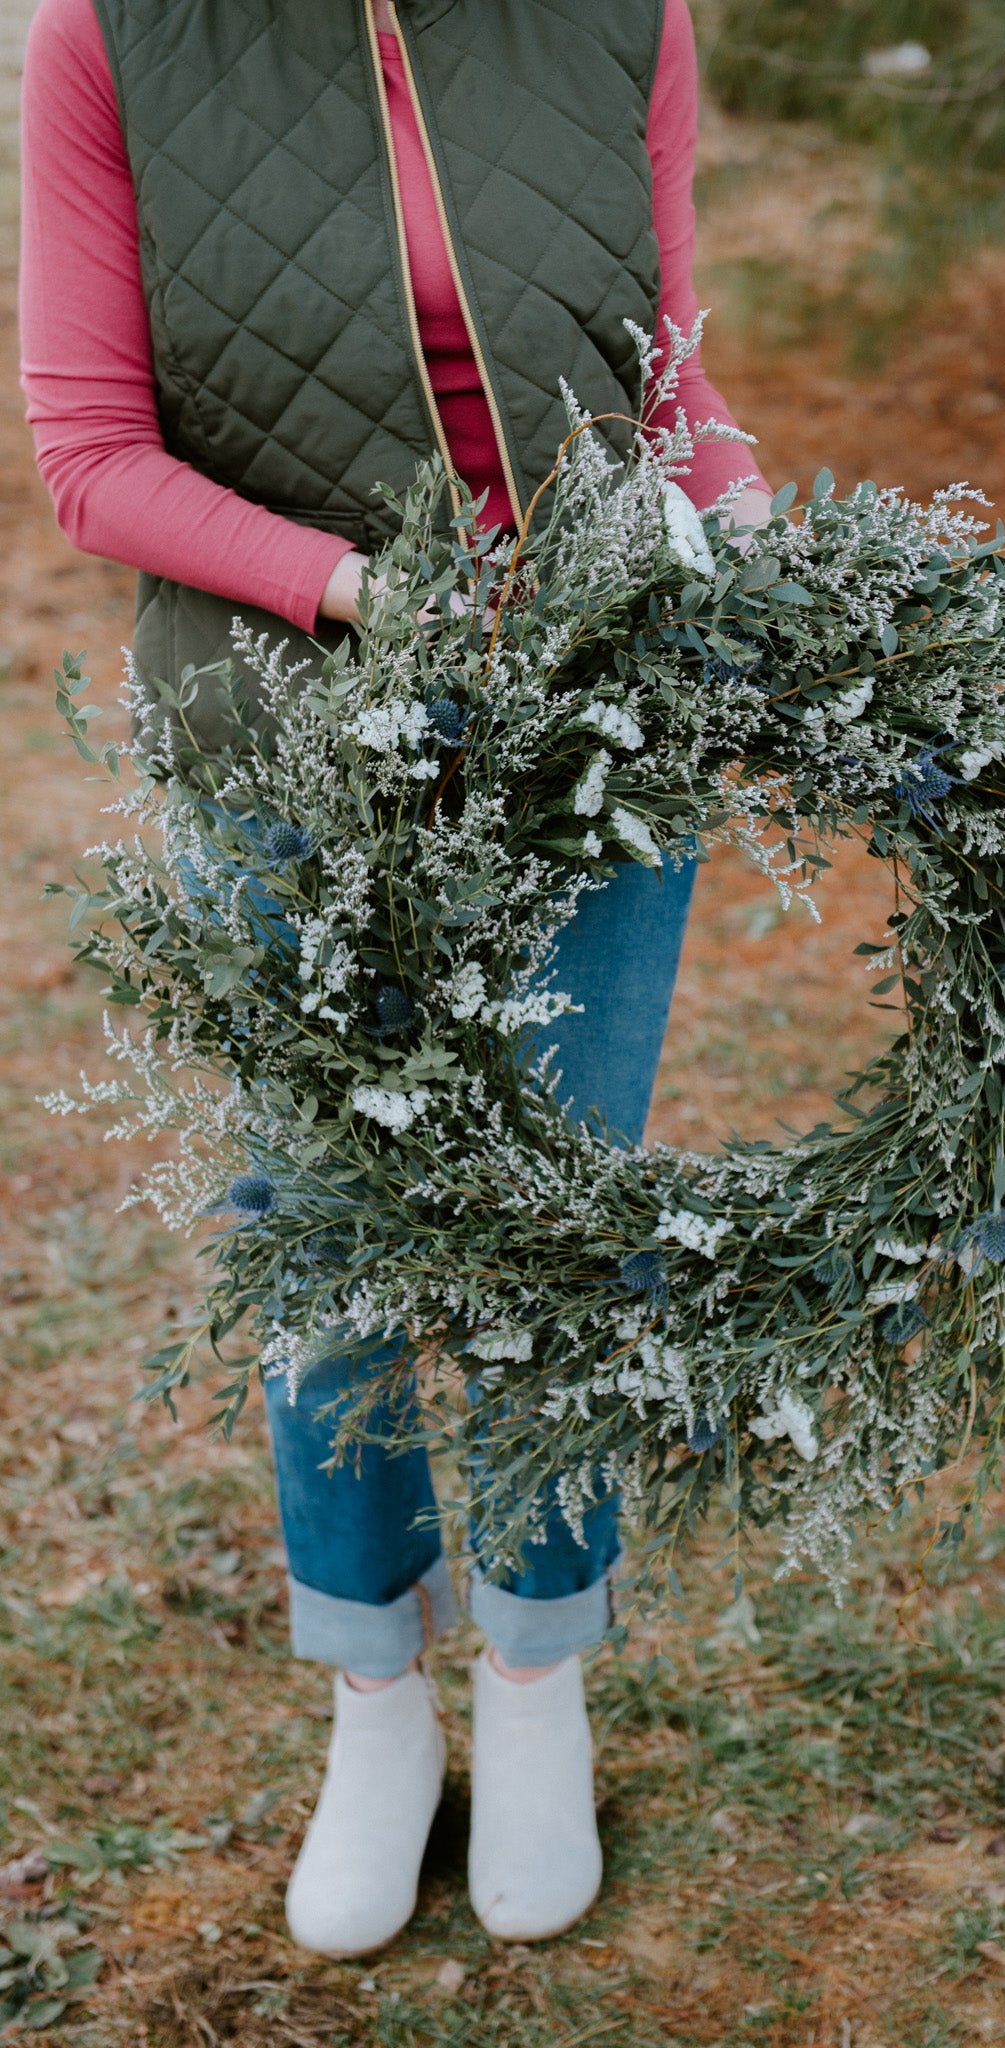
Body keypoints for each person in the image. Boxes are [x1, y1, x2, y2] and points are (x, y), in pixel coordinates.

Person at [20, 0, 770, 1957]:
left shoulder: (625, 17)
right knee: (326, 1235)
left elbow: (670, 390)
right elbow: (93, 457)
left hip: (600, 738)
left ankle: (536, 1685)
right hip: (291, 743)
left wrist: (775, 553)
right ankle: (377, 1710)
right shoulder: (116, 40)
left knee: (555, 1221)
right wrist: (370, 593)